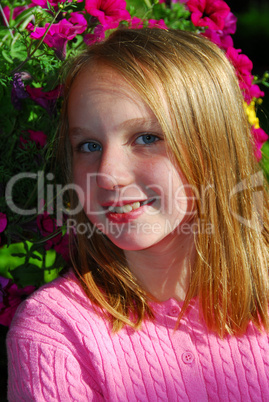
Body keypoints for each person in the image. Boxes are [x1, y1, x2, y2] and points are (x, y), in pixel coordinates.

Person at [7, 28, 269, 401]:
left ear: (213, 144)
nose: (109, 174)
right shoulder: (58, 335)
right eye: (89, 145)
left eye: (146, 138)